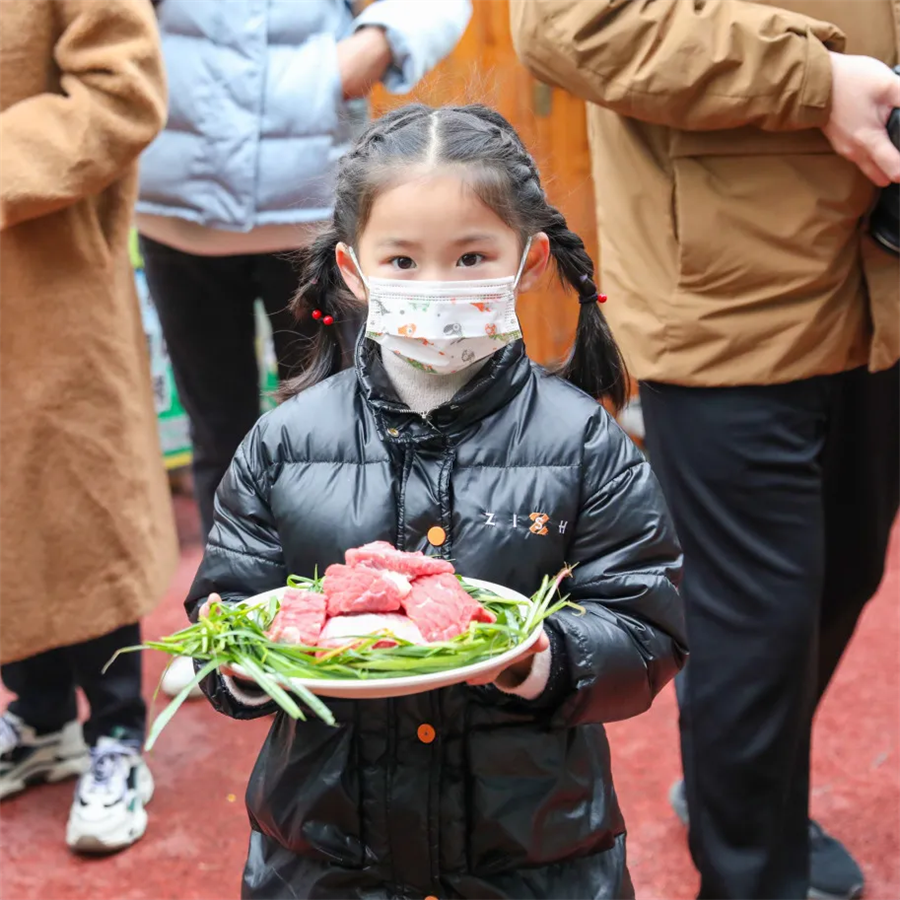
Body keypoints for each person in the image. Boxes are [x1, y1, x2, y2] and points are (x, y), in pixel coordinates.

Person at [183, 103, 686, 899]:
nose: (438, 285)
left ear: (528, 261)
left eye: (471, 256)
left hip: (532, 855)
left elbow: (646, 628)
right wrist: (250, 662)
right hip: (326, 857)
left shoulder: (584, 442)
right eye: (404, 261)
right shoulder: (284, 441)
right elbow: (224, 613)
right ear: (354, 270)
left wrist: (537, 657)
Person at [510, 3, 900, 900]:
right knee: (757, 626)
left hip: (878, 277)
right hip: (727, 296)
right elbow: (570, 23)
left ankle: (746, 792)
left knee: (844, 574)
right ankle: (749, 864)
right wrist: (813, 82)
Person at [136, 0, 472, 698]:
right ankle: (226, 625)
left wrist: (380, 41)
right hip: (177, 211)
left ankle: (347, 616)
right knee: (217, 428)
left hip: (312, 209)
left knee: (340, 429)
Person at [0, 0, 177, 854]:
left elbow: (122, 90)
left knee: (80, 499)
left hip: (50, 270)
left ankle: (115, 732)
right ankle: (37, 722)